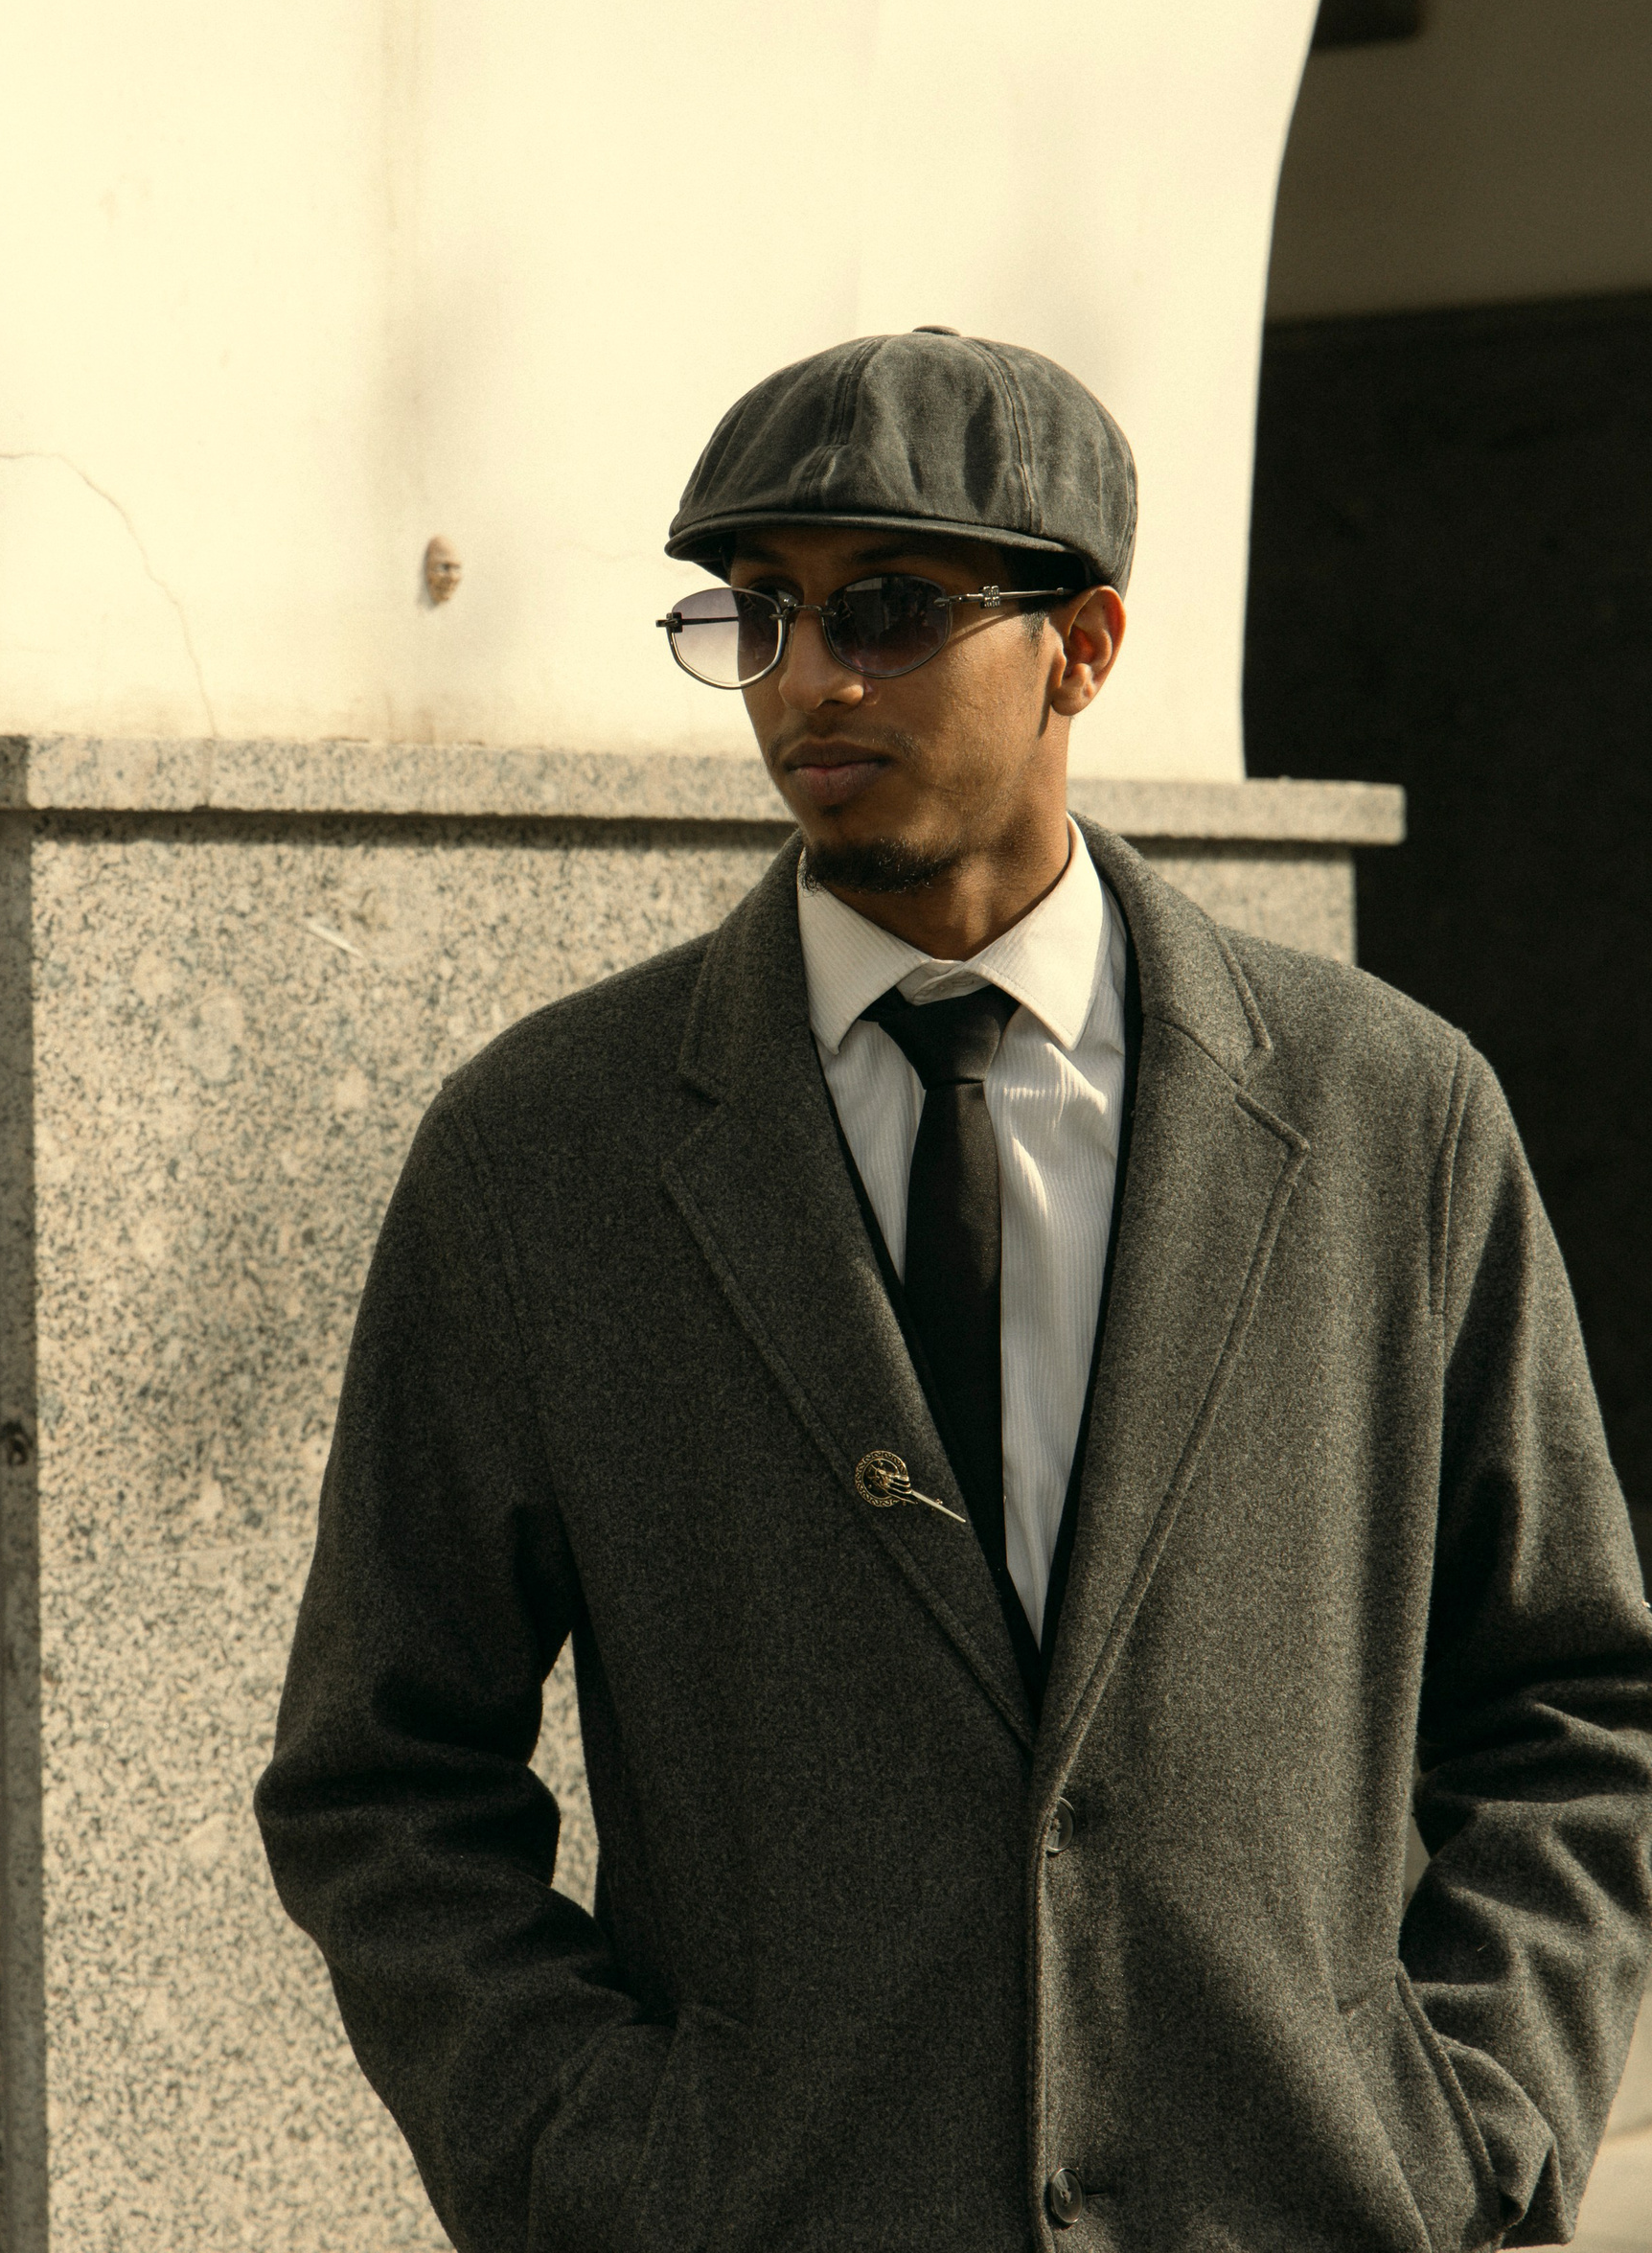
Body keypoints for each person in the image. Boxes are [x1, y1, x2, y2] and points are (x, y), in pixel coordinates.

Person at [257, 328, 1652, 2252]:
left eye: (892, 609)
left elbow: (1575, 1699)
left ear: (1084, 646)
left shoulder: (1387, 1116)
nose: (809, 679)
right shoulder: (545, 1152)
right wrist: (604, 2170)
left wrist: (1474, 2125)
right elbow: (381, 1779)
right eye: (760, 612)